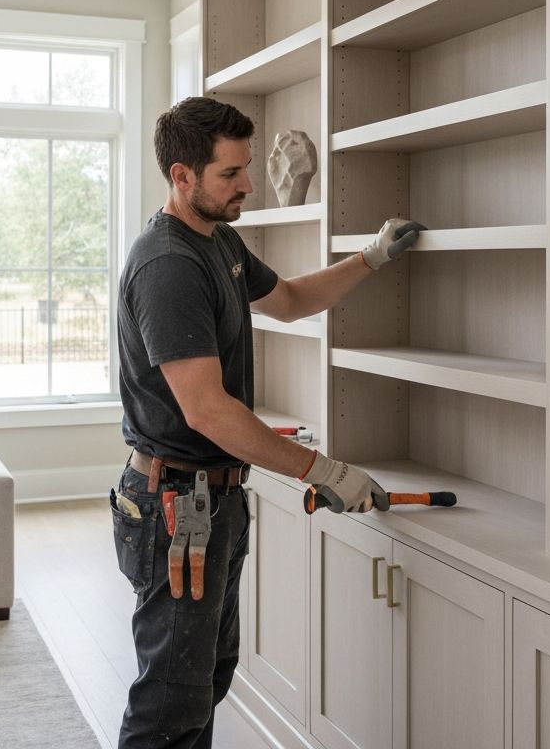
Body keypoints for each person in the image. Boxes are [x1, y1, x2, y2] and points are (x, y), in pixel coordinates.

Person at [113, 96, 424, 749]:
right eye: (231, 174)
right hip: (178, 506)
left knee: (207, 680)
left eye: (246, 168)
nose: (248, 185)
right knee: (171, 704)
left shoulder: (218, 241)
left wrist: (369, 257)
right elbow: (206, 408)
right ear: (182, 176)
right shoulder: (168, 264)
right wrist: (325, 471)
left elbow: (289, 300)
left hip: (214, 500)